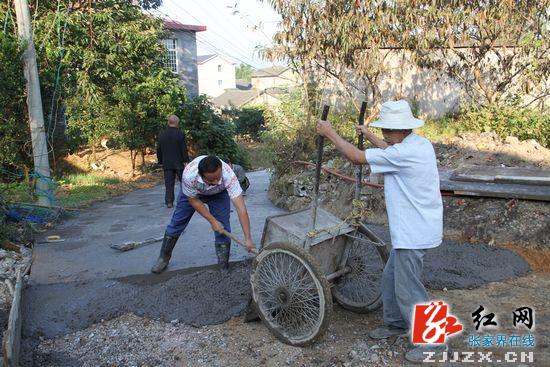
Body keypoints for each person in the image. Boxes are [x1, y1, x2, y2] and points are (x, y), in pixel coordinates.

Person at [316, 100, 445, 363]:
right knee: (390, 277)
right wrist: (370, 135)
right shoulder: (415, 144)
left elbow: (357, 158)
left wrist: (330, 133)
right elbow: (388, 149)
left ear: (403, 129)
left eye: (388, 128)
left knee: (409, 288)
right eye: (383, 128)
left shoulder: (405, 153)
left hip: (414, 231)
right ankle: (396, 323)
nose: (385, 132)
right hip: (412, 228)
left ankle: (433, 342)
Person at [151, 155, 256, 274]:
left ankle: (223, 266)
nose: (216, 182)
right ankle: (163, 258)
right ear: (201, 175)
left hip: (219, 195)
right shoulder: (189, 175)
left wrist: (248, 238)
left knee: (223, 227)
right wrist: (212, 221)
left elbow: (241, 208)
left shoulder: (228, 175)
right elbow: (194, 201)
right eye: (211, 180)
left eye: (218, 177)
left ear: (221, 170)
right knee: (177, 223)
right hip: (193, 195)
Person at [157, 115, 190, 208]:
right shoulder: (180, 134)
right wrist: (186, 161)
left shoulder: (162, 134)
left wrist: (160, 161)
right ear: (177, 123)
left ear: (168, 122)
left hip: (167, 163)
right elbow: (183, 149)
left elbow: (159, 149)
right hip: (179, 162)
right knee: (184, 182)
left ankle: (169, 202)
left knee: (169, 183)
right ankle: (187, 200)